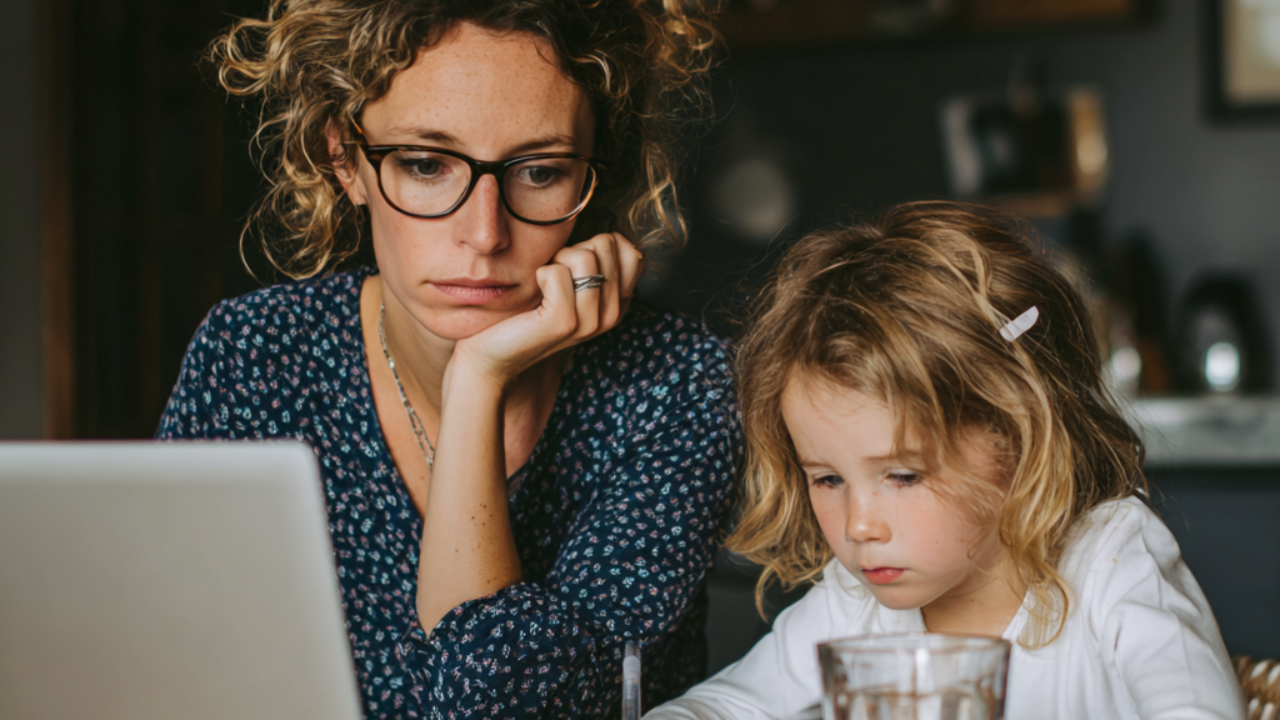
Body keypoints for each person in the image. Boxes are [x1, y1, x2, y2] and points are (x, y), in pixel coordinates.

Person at [157, 1, 741, 717]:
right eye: (427, 164)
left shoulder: (676, 382)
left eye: (539, 172)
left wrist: (478, 377)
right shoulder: (254, 357)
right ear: (347, 162)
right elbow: (172, 671)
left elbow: (503, 706)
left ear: (592, 178)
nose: (485, 232)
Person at [645, 203, 1245, 719]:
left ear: (1016, 436)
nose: (859, 526)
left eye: (902, 475)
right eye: (828, 478)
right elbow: (731, 705)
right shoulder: (853, 602)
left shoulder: (1110, 561)